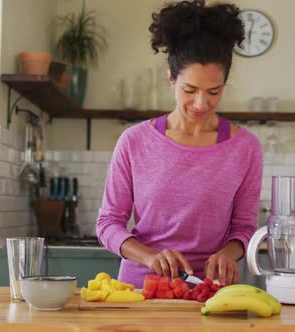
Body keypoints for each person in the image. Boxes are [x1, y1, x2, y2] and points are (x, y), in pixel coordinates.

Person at [97, 0, 263, 289]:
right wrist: (150, 258)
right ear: (171, 79)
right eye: (190, 90)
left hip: (209, 291)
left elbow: (245, 229)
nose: (201, 103)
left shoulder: (245, 148)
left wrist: (227, 254)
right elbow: (108, 224)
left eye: (214, 91)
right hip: (143, 289)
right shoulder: (134, 141)